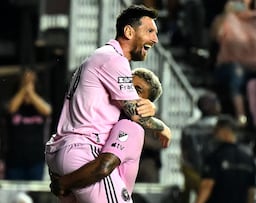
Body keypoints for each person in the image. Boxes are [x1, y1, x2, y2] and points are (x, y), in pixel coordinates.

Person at [45, 5, 171, 203]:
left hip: (65, 150)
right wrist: (162, 127)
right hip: (84, 153)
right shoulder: (114, 59)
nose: (155, 39)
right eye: (150, 31)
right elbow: (136, 114)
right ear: (129, 31)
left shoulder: (99, 57)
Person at [48, 67, 164, 201]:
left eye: (137, 90)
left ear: (146, 103)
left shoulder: (129, 127)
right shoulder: (102, 119)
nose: (127, 91)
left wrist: (63, 183)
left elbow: (103, 167)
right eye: (126, 85)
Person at [195, 115, 256, 203]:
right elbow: (251, 191)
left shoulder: (215, 157)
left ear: (224, 131)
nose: (214, 135)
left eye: (216, 131)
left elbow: (207, 185)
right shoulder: (248, 159)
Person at [4, 69, 52, 180]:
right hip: (14, 160)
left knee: (34, 195)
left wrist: (31, 92)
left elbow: (47, 111)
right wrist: (24, 88)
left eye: (31, 83)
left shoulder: (41, 103)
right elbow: (11, 109)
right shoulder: (13, 103)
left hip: (36, 160)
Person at [180, 91, 222, 203]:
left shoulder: (187, 129)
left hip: (195, 173)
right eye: (216, 102)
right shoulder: (222, 129)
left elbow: (184, 155)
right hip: (215, 176)